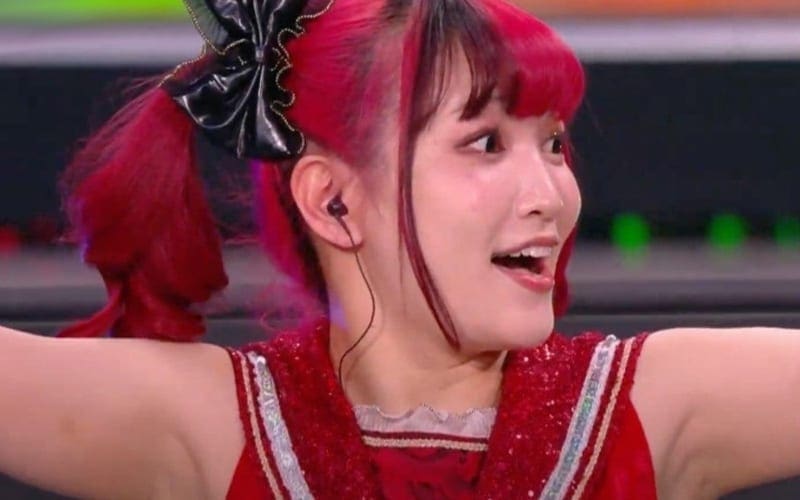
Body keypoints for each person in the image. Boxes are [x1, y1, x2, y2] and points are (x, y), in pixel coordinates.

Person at [1, 0, 799, 498]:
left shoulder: (652, 404)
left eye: (554, 144)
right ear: (334, 200)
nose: (552, 195)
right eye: (486, 143)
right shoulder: (215, 422)